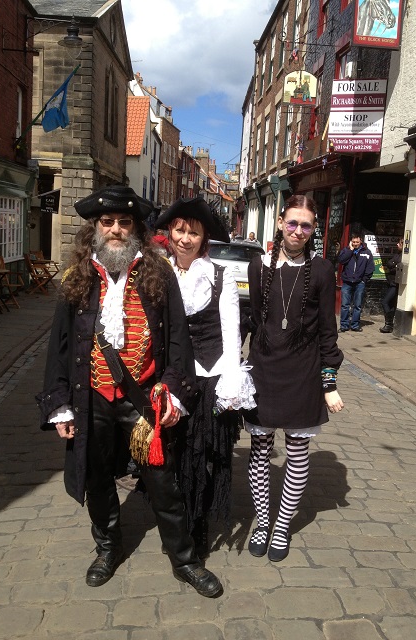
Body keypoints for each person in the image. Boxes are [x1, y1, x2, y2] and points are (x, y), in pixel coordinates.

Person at [36, 186, 222, 598]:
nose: (116, 229)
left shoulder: (159, 274)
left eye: (124, 222)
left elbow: (178, 344)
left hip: (144, 401)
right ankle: (107, 548)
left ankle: (185, 560)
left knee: (163, 482)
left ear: (136, 228)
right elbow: (59, 346)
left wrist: (174, 394)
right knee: (97, 477)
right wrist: (60, 404)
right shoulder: (78, 277)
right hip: (92, 398)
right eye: (108, 222)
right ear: (96, 229)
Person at [242, 194, 344, 562]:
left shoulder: (321, 270)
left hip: (303, 373)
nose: (298, 230)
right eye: (292, 222)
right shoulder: (258, 267)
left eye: (306, 225)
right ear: (280, 223)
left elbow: (328, 332)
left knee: (298, 453)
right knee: (260, 450)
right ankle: (263, 521)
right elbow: (255, 319)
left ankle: (282, 527)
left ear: (313, 228)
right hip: (264, 371)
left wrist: (328, 382)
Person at [155, 196, 256, 557]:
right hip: (170, 378)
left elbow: (232, 331)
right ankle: (177, 521)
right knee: (173, 454)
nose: (185, 238)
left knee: (201, 456)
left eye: (193, 233)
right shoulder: (157, 271)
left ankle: (197, 528)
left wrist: (231, 380)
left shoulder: (221, 275)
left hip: (209, 377)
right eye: (179, 230)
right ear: (169, 232)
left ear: (203, 239)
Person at [337, 232, 375, 332]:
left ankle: (355, 325)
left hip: (359, 283)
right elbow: (341, 260)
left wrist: (364, 280)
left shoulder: (367, 252)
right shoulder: (346, 250)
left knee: (357, 306)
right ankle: (344, 325)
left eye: (357, 242)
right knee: (345, 305)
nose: (355, 244)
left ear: (360, 241)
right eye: (353, 242)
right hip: (347, 282)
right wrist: (350, 250)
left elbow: (370, 267)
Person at [379, 238, 403, 333]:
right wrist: (394, 265)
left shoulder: (403, 256)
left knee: (385, 302)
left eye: (399, 243)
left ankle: (388, 324)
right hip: (391, 282)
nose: (397, 244)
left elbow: (396, 268)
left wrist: (394, 266)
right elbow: (389, 264)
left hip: (395, 284)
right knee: (390, 304)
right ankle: (389, 324)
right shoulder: (397, 254)